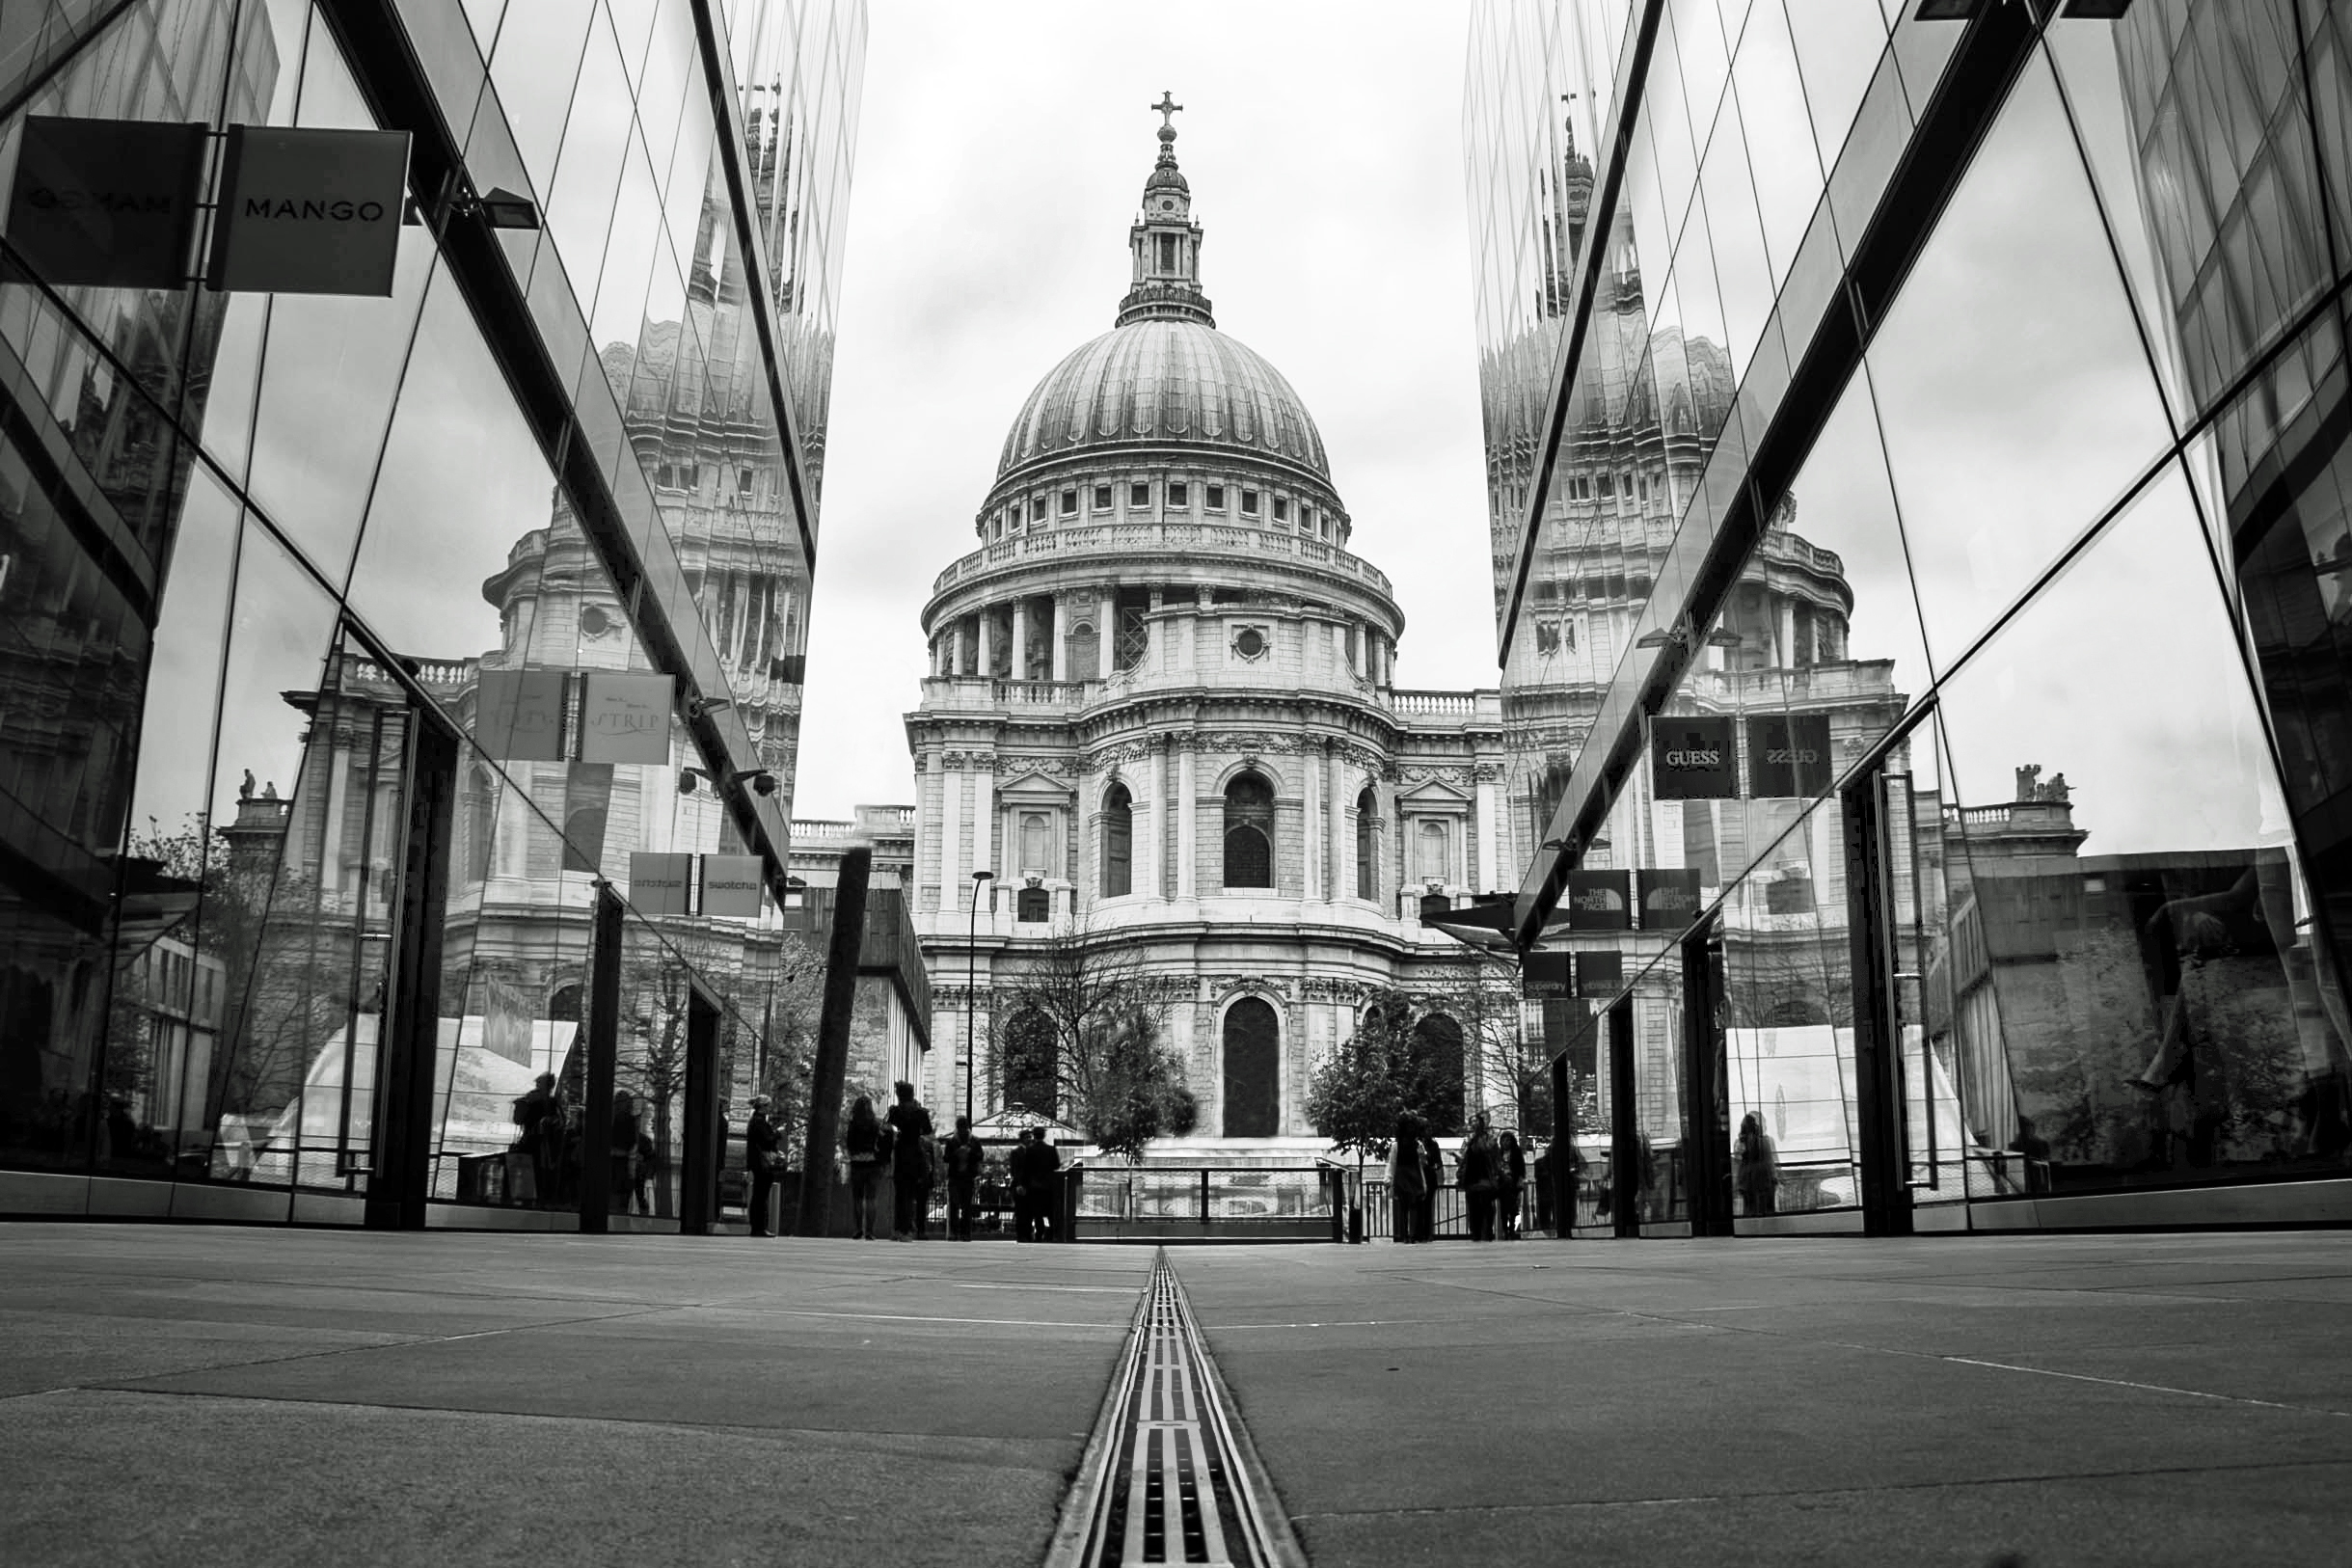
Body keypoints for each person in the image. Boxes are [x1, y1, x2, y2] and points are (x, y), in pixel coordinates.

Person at [885, 1080, 933, 1241]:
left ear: (899, 1095)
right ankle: (907, 1230)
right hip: (915, 1154)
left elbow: (887, 1128)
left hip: (900, 1152)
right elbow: (929, 1133)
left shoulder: (894, 1112)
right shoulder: (921, 1113)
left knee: (900, 1193)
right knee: (911, 1194)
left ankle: (899, 1228)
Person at [513, 1072, 563, 1206]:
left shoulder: (538, 1101)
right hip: (541, 1147)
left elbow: (518, 1120)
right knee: (538, 1177)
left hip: (535, 1146)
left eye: (539, 1085)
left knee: (532, 1178)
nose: (537, 1088)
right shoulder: (552, 1103)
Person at [844, 1094, 884, 1239]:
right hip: (873, 1163)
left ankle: (858, 1229)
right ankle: (870, 1231)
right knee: (871, 1198)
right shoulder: (876, 1124)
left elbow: (849, 1144)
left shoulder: (853, 1124)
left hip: (857, 1163)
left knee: (857, 1198)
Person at [942, 1115, 985, 1240]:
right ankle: (955, 1232)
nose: (962, 1131)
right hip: (955, 1177)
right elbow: (946, 1158)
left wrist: (970, 1152)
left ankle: (964, 1233)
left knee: (966, 1206)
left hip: (967, 1177)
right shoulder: (951, 1141)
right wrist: (957, 1153)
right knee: (955, 1205)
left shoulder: (974, 1141)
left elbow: (980, 1156)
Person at [743, 1094, 781, 1235]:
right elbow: (767, 1141)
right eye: (768, 1106)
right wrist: (777, 1134)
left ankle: (757, 1227)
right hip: (762, 1163)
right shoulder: (759, 1122)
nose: (770, 1108)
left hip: (757, 1163)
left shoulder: (755, 1121)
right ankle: (759, 1227)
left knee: (759, 1195)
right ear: (763, 1107)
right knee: (761, 1196)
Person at [1459, 1116, 1500, 1241]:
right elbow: (1464, 1157)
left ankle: (1487, 1232)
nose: (1474, 1124)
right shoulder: (1468, 1140)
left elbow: (1491, 1153)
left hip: (1485, 1176)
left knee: (1486, 1205)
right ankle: (1475, 1232)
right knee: (1473, 1206)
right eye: (1472, 1122)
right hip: (1471, 1178)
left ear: (1482, 1124)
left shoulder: (1489, 1138)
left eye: (1476, 1121)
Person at [1388, 1114, 1424, 1243]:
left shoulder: (1417, 1144)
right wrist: (1389, 1179)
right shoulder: (1396, 1145)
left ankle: (1411, 1234)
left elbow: (1421, 1164)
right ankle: (1405, 1234)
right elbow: (1392, 1163)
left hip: (1413, 1176)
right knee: (1404, 1206)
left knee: (1412, 1205)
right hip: (1403, 1176)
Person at [1735, 1112, 1779, 1217]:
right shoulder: (1767, 1141)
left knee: (1750, 1211)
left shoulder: (1740, 1143)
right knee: (1768, 1212)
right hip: (1765, 1182)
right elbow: (1773, 1163)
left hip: (1748, 1183)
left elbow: (1738, 1161)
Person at [1029, 1129, 1064, 1242]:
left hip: (1035, 1185)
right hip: (1049, 1185)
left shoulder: (1030, 1150)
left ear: (1034, 1136)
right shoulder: (1051, 1149)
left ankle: (1039, 1233)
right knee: (1050, 1211)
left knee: (1037, 1212)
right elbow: (1057, 1165)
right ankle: (1052, 1233)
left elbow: (1027, 1168)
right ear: (1044, 1136)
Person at [1497, 1128, 1527, 1239]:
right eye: (1504, 1140)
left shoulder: (1516, 1152)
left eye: (1508, 1140)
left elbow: (1521, 1168)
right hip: (1502, 1183)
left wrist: (1520, 1179)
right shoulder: (1499, 1153)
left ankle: (1511, 1229)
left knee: (1513, 1207)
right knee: (1503, 1209)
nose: (1506, 1142)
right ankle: (1505, 1230)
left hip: (1513, 1183)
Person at [1418, 1123, 1445, 1241]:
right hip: (1419, 1177)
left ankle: (1428, 1233)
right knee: (1419, 1206)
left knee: (1428, 1206)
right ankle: (1419, 1232)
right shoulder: (1418, 1144)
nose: (1429, 1131)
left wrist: (1435, 1166)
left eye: (1430, 1129)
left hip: (1430, 1177)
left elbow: (1439, 1161)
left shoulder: (1434, 1145)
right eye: (1427, 1129)